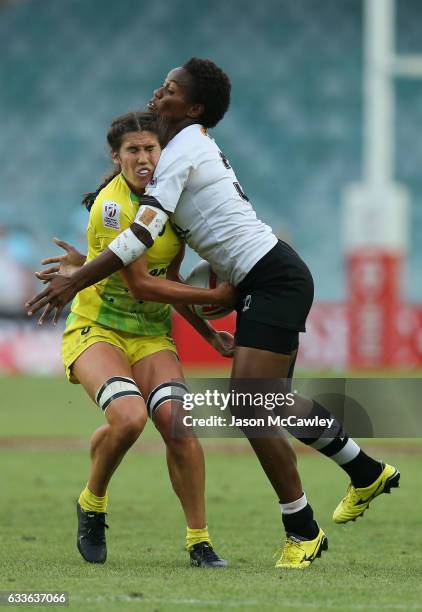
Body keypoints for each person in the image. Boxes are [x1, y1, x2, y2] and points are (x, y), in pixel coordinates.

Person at [27, 59, 399, 569]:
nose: (159, 94)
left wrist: (79, 277)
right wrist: (91, 263)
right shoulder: (178, 151)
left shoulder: (181, 152)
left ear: (194, 108)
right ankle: (363, 472)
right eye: (162, 85)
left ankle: (304, 530)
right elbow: (144, 251)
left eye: (171, 90)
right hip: (263, 276)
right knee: (268, 402)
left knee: (251, 403)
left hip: (273, 276)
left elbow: (139, 240)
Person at [35, 111, 235, 567]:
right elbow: (143, 284)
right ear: (116, 156)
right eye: (133, 150)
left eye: (151, 149)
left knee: (176, 422)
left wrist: (209, 334)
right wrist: (219, 295)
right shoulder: (113, 205)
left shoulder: (172, 199)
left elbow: (172, 277)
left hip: (150, 336)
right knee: (128, 419)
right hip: (98, 328)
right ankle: (93, 503)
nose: (144, 158)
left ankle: (199, 542)